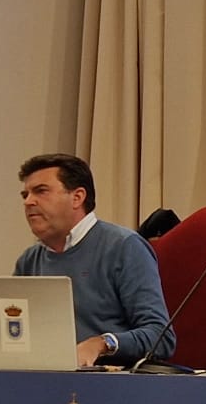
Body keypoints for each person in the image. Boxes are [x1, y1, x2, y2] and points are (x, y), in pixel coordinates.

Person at [14, 153, 172, 367]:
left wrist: (101, 344)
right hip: (43, 381)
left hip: (110, 387)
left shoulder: (124, 247)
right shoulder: (29, 260)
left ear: (77, 197)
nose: (28, 201)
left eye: (41, 191)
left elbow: (160, 337)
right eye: (25, 194)